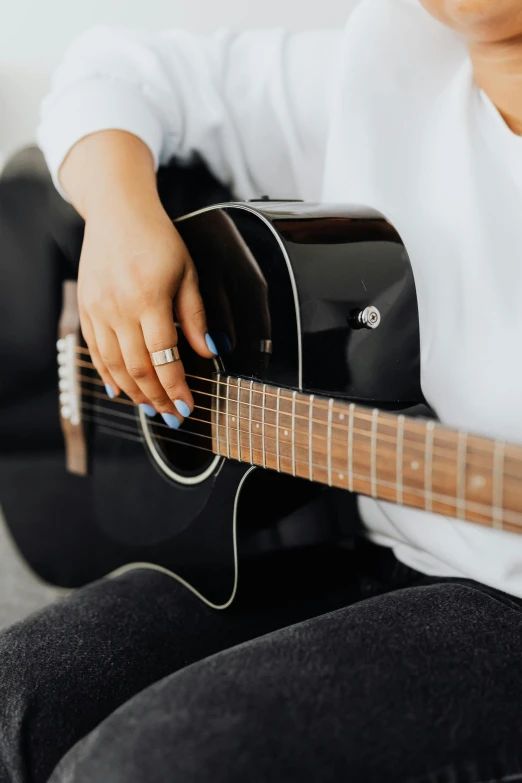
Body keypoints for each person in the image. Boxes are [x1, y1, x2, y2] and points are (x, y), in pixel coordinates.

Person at [1, 0, 522, 780]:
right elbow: (114, 69)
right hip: (358, 539)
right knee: (16, 696)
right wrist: (118, 217)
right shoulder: (392, 52)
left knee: (139, 767)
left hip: (502, 601)